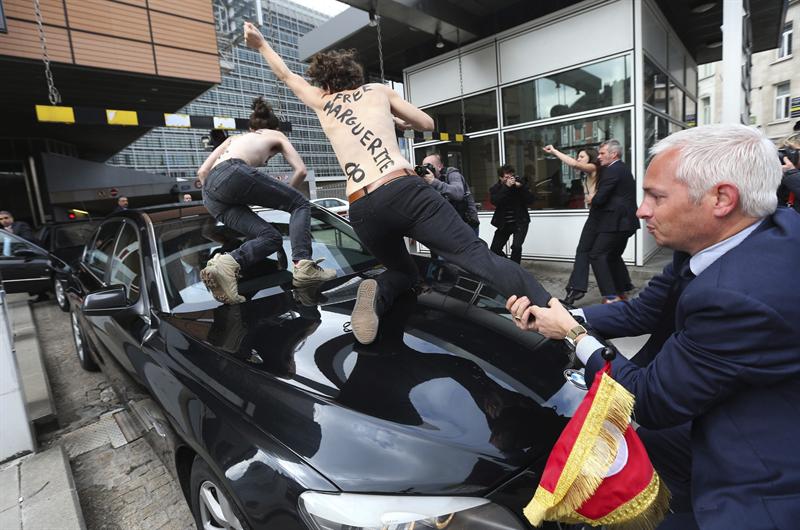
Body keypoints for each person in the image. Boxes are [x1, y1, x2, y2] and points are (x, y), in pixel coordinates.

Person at [507, 124, 800, 530]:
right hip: (731, 414)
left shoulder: (740, 295)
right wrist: (564, 314)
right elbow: (643, 313)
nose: (641, 210)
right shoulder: (746, 234)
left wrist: (574, 336)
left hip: (762, 476)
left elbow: (649, 400)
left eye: (656, 197)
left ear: (722, 198)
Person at [242, 21, 551, 345]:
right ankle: (555, 311)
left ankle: (376, 292)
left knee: (403, 273)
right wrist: (398, 121)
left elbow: (287, 76)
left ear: (325, 80)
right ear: (355, 76)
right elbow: (427, 123)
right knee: (476, 255)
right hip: (403, 190)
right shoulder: (377, 91)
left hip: (361, 206)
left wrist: (261, 43)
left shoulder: (322, 102)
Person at [197, 96, 336, 304]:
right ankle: (304, 266)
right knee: (300, 204)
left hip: (210, 197)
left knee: (270, 237)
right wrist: (284, 197)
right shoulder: (276, 134)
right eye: (271, 157)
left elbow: (202, 172)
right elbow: (300, 170)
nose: (268, 159)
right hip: (233, 172)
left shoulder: (233, 140)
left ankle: (228, 263)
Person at [543, 145, 601, 305]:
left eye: (581, 156)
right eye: (578, 156)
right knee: (583, 251)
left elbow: (574, 165)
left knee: (601, 256)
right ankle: (575, 290)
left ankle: (615, 290)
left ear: (590, 158)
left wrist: (554, 152)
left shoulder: (594, 168)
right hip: (594, 217)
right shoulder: (585, 177)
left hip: (604, 219)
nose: (578, 159)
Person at [588, 139, 638, 303]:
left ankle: (611, 296)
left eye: (602, 153)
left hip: (615, 222)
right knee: (613, 256)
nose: (599, 157)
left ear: (614, 154)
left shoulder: (612, 170)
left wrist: (591, 199)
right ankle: (622, 291)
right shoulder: (623, 168)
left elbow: (600, 198)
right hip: (626, 223)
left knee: (597, 255)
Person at [420, 153, 480, 235]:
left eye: (428, 166)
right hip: (447, 224)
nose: (427, 169)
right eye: (424, 166)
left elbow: (458, 194)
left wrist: (434, 182)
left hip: (466, 223)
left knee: (469, 248)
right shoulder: (428, 181)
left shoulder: (452, 174)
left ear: (439, 166)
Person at [489, 164, 534, 263]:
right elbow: (495, 201)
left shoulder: (519, 186)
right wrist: (506, 187)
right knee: (494, 249)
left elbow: (531, 200)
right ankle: (509, 265)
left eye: (511, 177)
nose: (510, 179)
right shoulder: (495, 188)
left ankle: (516, 271)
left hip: (520, 222)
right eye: (506, 177)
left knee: (516, 247)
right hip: (504, 224)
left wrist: (521, 187)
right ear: (500, 178)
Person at [778, 133, 800, 213]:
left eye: (795, 152)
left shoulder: (791, 175)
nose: (790, 156)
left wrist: (792, 174)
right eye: (788, 152)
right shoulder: (782, 174)